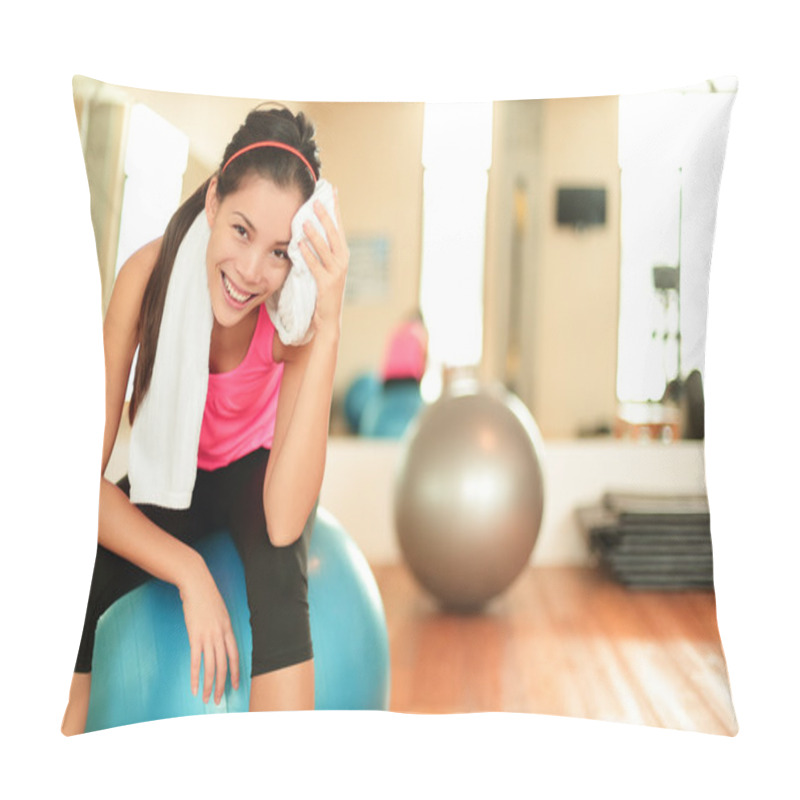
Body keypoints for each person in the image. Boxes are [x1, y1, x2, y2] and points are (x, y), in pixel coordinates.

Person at [61, 106, 349, 735]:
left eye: (278, 252)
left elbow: (282, 519)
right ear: (214, 197)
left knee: (278, 576)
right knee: (76, 583)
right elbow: (76, 491)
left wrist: (328, 328)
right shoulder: (144, 277)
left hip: (260, 475)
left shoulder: (292, 319)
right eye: (242, 231)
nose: (251, 273)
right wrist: (189, 572)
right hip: (177, 473)